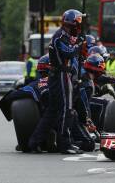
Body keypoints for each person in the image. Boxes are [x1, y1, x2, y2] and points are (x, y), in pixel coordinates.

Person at [29, 9, 85, 154]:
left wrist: (76, 42)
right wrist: (79, 44)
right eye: (78, 21)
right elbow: (68, 52)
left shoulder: (64, 35)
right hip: (61, 75)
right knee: (67, 109)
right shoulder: (60, 36)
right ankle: (65, 144)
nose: (79, 25)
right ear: (71, 22)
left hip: (59, 75)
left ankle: (34, 142)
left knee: (52, 111)